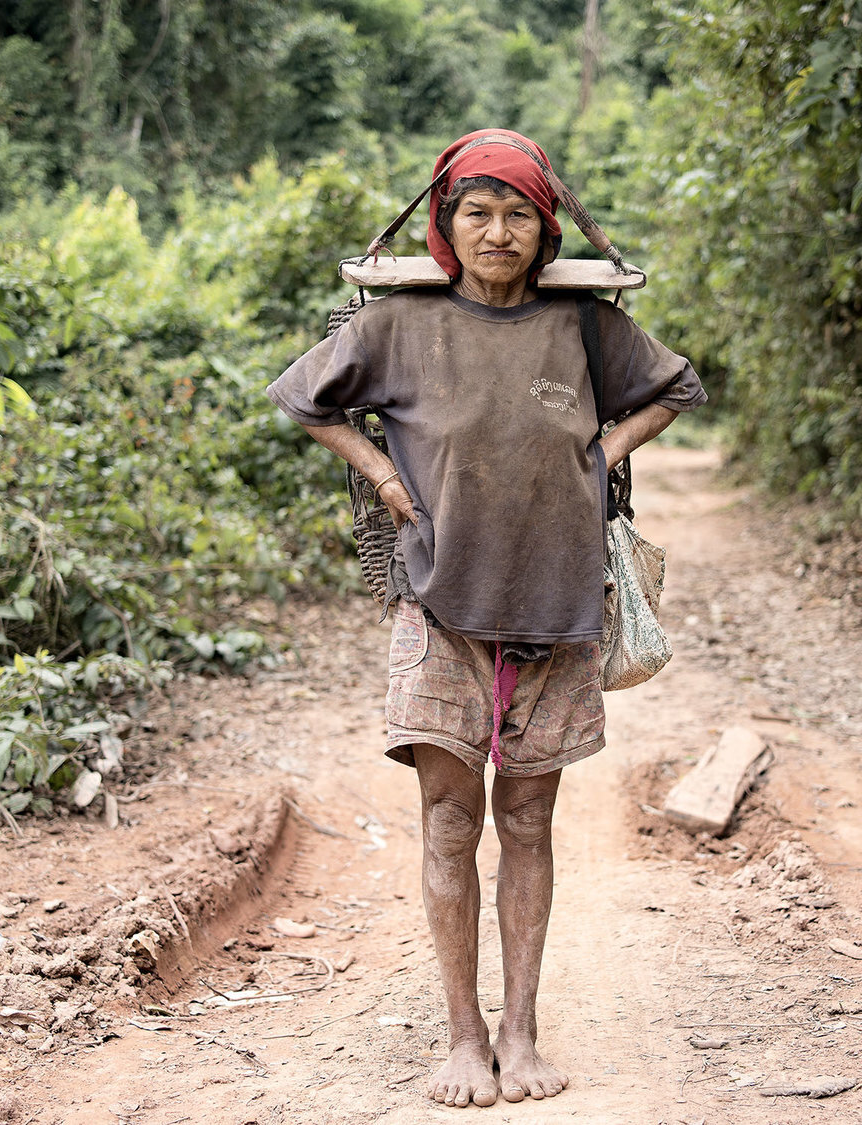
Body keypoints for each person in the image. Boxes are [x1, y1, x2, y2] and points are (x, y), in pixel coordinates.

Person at [266, 128, 706, 1108]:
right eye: (476, 211)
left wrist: (604, 449)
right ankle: (464, 1039)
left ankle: (523, 1030)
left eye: (517, 213)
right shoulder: (397, 326)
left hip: (557, 607)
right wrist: (381, 471)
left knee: (531, 823)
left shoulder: (584, 326)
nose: (497, 230)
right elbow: (303, 397)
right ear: (446, 225)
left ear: (545, 231)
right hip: (441, 607)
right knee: (449, 822)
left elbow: (679, 383)